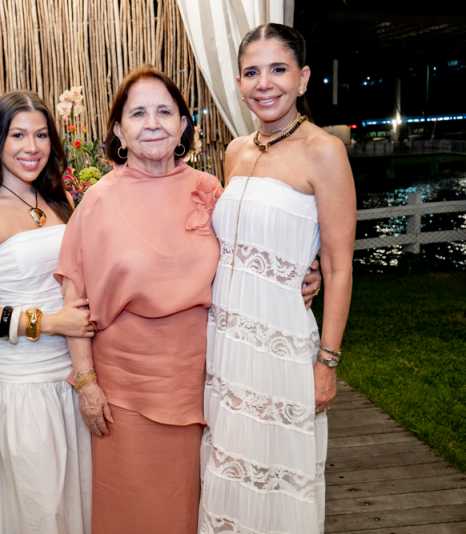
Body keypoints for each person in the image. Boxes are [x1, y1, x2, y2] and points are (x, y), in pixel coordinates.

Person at [198, 24, 355, 534]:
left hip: (282, 346)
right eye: (251, 72)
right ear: (240, 83)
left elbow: (337, 265)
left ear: (304, 77)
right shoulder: (235, 152)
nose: (265, 83)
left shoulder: (324, 151)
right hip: (226, 344)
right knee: (230, 471)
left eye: (278, 69)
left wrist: (327, 361)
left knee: (278, 478)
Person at [0, 91, 94, 534]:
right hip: (23, 387)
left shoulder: (59, 203)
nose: (31, 147)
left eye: (41, 135)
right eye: (18, 135)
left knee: (79, 502)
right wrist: (51, 323)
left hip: (73, 380)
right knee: (38, 511)